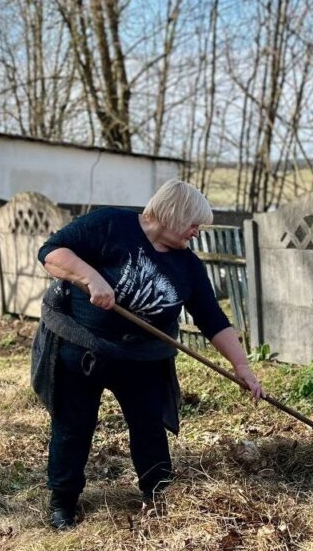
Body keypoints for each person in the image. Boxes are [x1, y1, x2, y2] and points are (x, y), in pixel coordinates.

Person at [31, 180, 263, 529]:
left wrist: (241, 366)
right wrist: (91, 278)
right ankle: (62, 501)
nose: (196, 233)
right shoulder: (110, 224)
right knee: (73, 426)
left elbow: (213, 319)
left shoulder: (188, 266)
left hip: (142, 359)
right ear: (172, 215)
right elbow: (51, 252)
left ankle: (159, 493)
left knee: (149, 427)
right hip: (83, 348)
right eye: (193, 224)